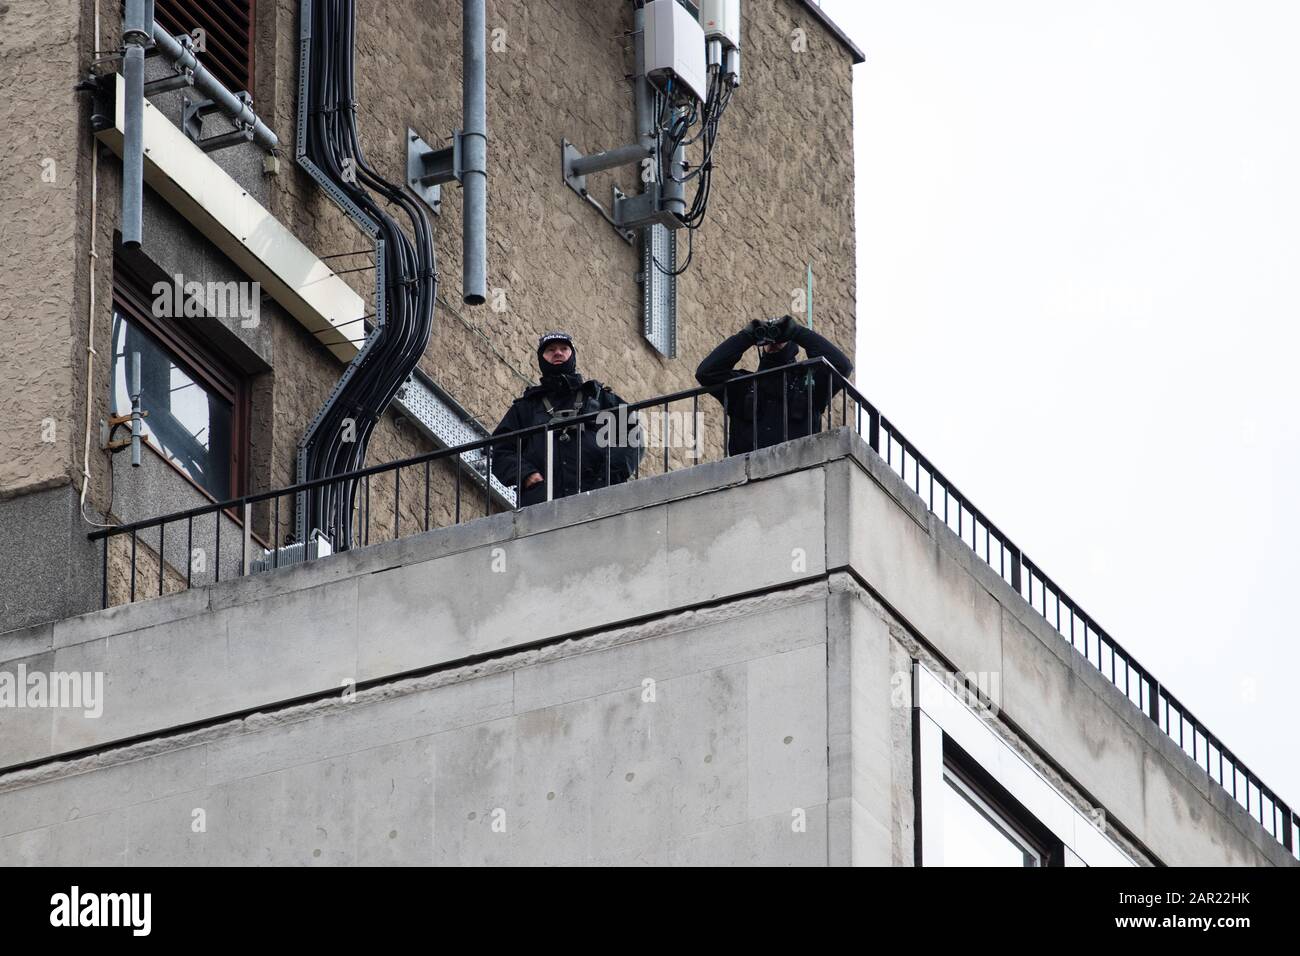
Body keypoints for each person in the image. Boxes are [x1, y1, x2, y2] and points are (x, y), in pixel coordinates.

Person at [491, 331, 643, 506]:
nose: (558, 353)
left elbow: (633, 436)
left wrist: (607, 477)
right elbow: (501, 450)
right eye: (550, 350)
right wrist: (525, 474)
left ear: (572, 355)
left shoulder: (600, 398)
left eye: (564, 348)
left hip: (601, 499)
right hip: (542, 505)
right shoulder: (525, 408)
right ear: (541, 358)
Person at [695, 314, 854, 456]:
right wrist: (747, 336)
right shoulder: (744, 385)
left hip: (799, 470)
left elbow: (842, 366)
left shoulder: (808, 383)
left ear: (792, 343)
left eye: (781, 337)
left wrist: (797, 332)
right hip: (746, 473)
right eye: (770, 338)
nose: (774, 341)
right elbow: (706, 373)